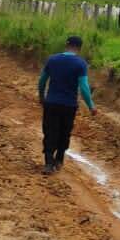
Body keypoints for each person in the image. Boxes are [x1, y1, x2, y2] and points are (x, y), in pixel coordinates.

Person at [37, 34, 95, 173]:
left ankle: (49, 163)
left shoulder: (52, 60)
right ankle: (60, 158)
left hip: (52, 103)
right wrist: (91, 105)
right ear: (79, 48)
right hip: (69, 105)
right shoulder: (81, 64)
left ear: (66, 45)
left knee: (50, 131)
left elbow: (42, 81)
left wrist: (41, 96)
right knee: (64, 132)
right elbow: (84, 87)